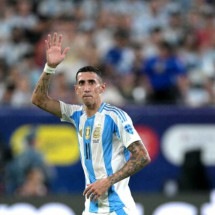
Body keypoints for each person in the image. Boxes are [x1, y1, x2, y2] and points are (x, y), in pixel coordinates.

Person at [31, 32, 151, 215]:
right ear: (77, 89)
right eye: (82, 83)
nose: (87, 87)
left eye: (91, 82)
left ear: (101, 88)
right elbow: (39, 99)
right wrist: (49, 68)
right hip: (92, 208)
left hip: (118, 208)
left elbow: (142, 156)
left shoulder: (116, 116)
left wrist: (107, 181)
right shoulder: (75, 114)